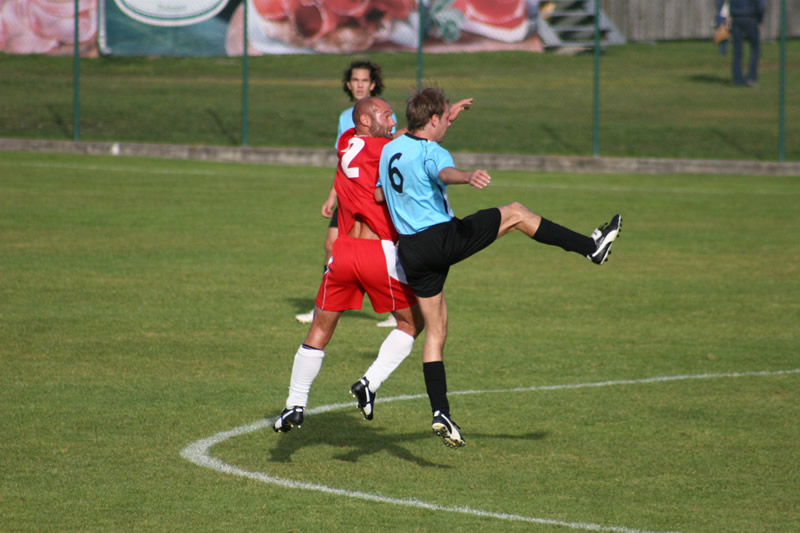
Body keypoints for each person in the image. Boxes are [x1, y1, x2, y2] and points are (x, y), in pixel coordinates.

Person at [377, 87, 622, 448]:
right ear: (432, 120)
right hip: (440, 239)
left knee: (435, 331)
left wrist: (449, 113)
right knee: (516, 213)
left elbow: (384, 191)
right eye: (443, 118)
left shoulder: (390, 149)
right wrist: (467, 176)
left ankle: (440, 412)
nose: (447, 123)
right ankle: (592, 248)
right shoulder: (433, 151)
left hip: (410, 252)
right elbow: (442, 171)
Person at [273, 97, 421, 433]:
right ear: (366, 121)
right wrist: (437, 121)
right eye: (386, 114)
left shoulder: (346, 143)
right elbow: (407, 142)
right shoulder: (380, 149)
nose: (393, 119)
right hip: (376, 253)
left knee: (319, 331)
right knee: (413, 324)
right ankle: (369, 382)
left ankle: (294, 406)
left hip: (342, 253)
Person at [295, 60, 398, 327]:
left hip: (373, 196)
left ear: (373, 84)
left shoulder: (383, 115)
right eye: (355, 80)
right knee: (331, 244)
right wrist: (333, 195)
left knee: (381, 248)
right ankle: (323, 306)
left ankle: (396, 309)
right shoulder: (345, 116)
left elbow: (389, 153)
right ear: (349, 84)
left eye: (365, 80)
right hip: (348, 194)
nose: (360, 85)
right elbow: (345, 161)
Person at [716, 0, 766, 86]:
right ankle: (751, 77)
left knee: (737, 50)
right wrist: (760, 18)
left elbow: (720, 2)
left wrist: (722, 15)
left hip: (736, 18)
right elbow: (760, 4)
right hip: (751, 17)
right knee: (755, 48)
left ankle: (738, 79)